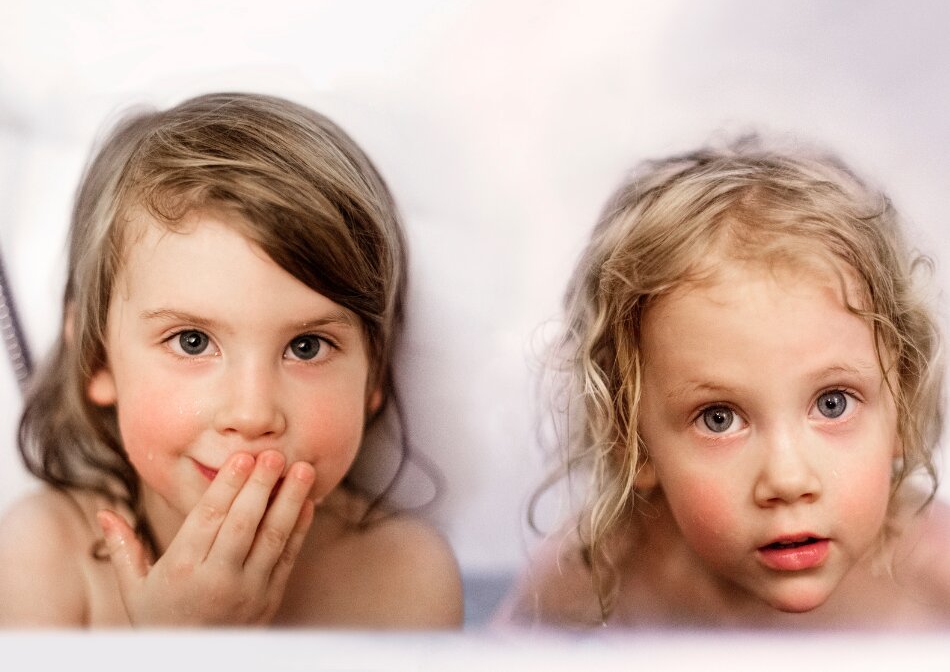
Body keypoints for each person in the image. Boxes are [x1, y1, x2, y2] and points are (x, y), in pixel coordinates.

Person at [0, 93, 462, 627]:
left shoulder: (401, 578)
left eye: (306, 346)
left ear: (374, 374)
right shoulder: (45, 560)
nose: (252, 413)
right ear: (96, 358)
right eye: (192, 341)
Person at [498, 136, 950, 629]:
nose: (788, 480)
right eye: (719, 418)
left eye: (834, 403)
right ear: (633, 442)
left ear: (901, 409)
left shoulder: (934, 574)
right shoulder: (595, 575)